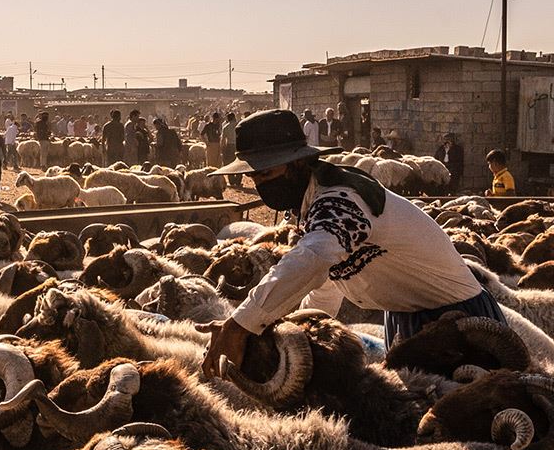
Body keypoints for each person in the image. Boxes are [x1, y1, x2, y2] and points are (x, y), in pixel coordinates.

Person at [201, 108, 503, 372]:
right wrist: (285, 327)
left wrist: (241, 324)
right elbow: (326, 286)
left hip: (456, 322)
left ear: (297, 164)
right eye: (255, 178)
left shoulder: (341, 200)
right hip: (406, 321)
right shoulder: (313, 209)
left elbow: (313, 260)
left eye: (267, 173)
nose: (261, 185)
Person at [222, 112, 240, 187]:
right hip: (238, 146)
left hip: (229, 146)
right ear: (234, 117)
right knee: (239, 163)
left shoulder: (225, 127)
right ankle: (238, 180)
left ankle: (232, 180)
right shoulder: (239, 125)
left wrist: (222, 149)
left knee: (230, 163)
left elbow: (223, 140)